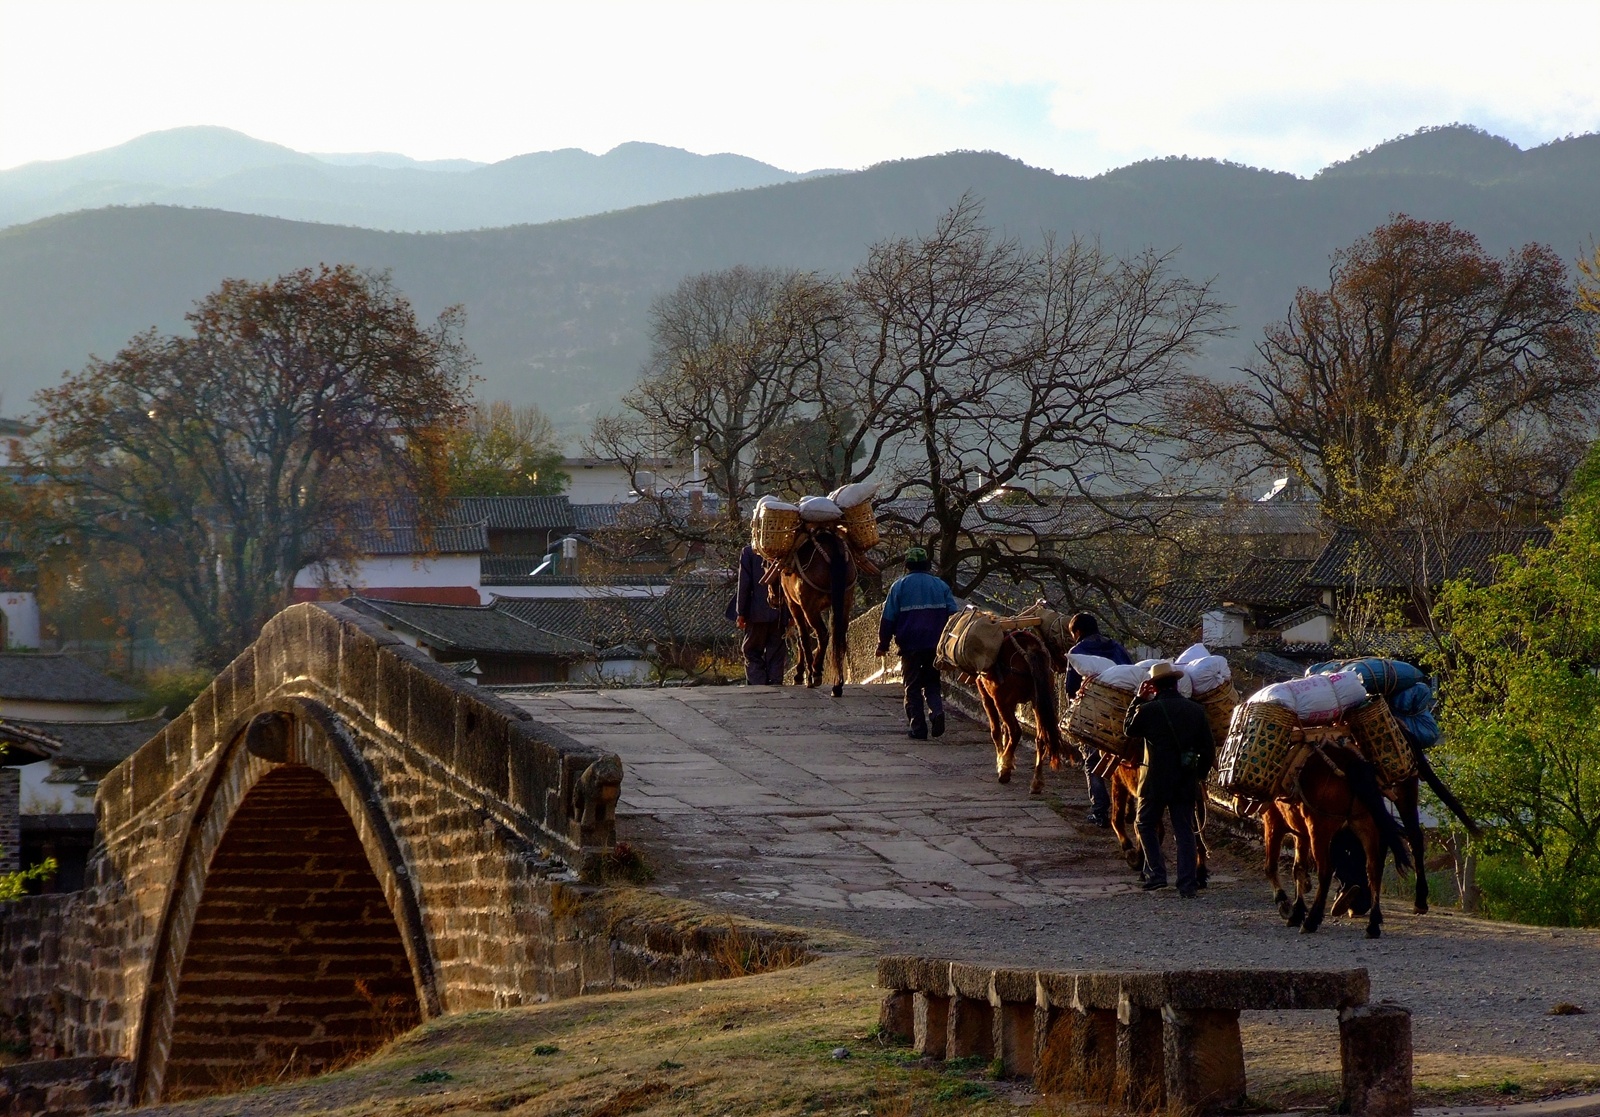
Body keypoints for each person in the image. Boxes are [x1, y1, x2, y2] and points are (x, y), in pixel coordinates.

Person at [1123, 661, 1215, 898]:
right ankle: (1187, 884)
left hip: (1154, 780)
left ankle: (1156, 875)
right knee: (1184, 830)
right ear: (1176, 683)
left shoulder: (1147, 710)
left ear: (1153, 687)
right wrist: (1199, 775)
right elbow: (1208, 749)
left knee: (1144, 824)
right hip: (1185, 779)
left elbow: (1128, 730)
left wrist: (1138, 700)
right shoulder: (1196, 710)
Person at [875, 546, 960, 739]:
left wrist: (883, 645)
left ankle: (918, 728)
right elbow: (954, 615)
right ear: (927, 565)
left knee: (912, 686)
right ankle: (937, 711)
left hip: (910, 645)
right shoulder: (940, 586)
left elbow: (888, 618)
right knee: (932, 682)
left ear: (908, 566)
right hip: (935, 645)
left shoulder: (899, 586)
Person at [1063, 612, 1131, 828]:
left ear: (1078, 632)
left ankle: (1100, 811)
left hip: (1095, 718)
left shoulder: (1078, 652)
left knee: (1093, 761)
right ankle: (1131, 808)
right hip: (1124, 714)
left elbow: (1070, 689)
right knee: (1128, 761)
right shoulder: (1118, 647)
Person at [733, 542, 788, 685]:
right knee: (776, 652)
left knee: (751, 650)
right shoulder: (784, 550)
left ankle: (758, 685)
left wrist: (741, 612)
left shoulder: (749, 552)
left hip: (756, 613)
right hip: (780, 612)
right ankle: (775, 683)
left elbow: (744, 584)